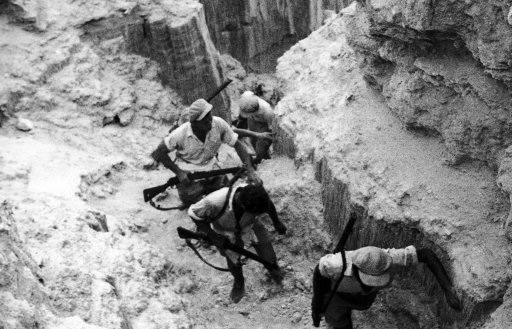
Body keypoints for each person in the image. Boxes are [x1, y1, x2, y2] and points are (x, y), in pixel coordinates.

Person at [311, 245, 463, 329]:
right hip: (336, 296)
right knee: (339, 322)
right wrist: (316, 308)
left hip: (364, 298)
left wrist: (447, 289)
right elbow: (318, 275)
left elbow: (427, 254)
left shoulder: (389, 258)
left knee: (362, 304)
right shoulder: (334, 265)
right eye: (371, 279)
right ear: (357, 270)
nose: (377, 283)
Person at [188, 182, 287, 303]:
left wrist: (277, 222)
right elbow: (193, 214)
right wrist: (213, 236)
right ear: (243, 206)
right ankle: (239, 281)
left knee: (267, 253)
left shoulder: (256, 196)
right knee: (233, 259)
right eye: (256, 213)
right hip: (227, 230)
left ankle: (272, 267)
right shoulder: (214, 202)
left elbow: (268, 205)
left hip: (250, 224)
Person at [150, 98, 259, 206]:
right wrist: (179, 173)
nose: (209, 121)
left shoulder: (218, 124)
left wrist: (250, 170)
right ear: (194, 123)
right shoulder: (180, 134)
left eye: (209, 116)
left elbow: (238, 145)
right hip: (189, 175)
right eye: (204, 119)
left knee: (225, 202)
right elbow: (159, 152)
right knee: (198, 208)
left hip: (213, 170)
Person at [232, 91, 275, 164]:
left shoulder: (268, 112)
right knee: (253, 139)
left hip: (264, 123)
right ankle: (258, 154)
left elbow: (271, 130)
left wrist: (265, 142)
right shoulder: (247, 96)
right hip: (252, 119)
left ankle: (262, 158)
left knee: (261, 144)